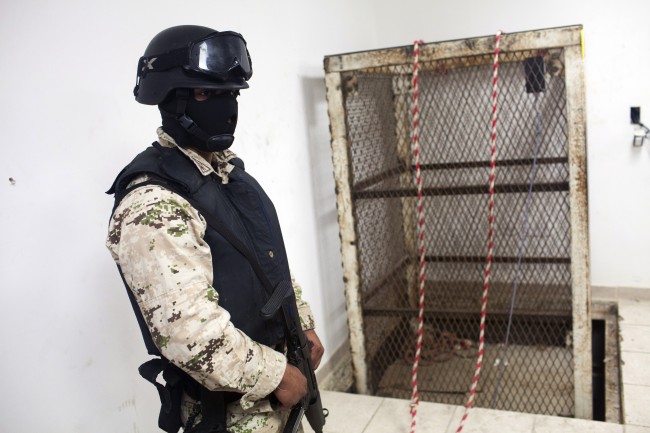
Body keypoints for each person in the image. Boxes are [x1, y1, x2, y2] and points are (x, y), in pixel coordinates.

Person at [106, 25, 324, 433]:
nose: (225, 106)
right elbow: (190, 335)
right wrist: (278, 375)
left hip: (276, 392)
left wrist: (302, 321)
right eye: (207, 94)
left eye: (231, 94)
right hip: (228, 412)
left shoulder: (226, 174)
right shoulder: (154, 204)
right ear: (171, 100)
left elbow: (267, 259)